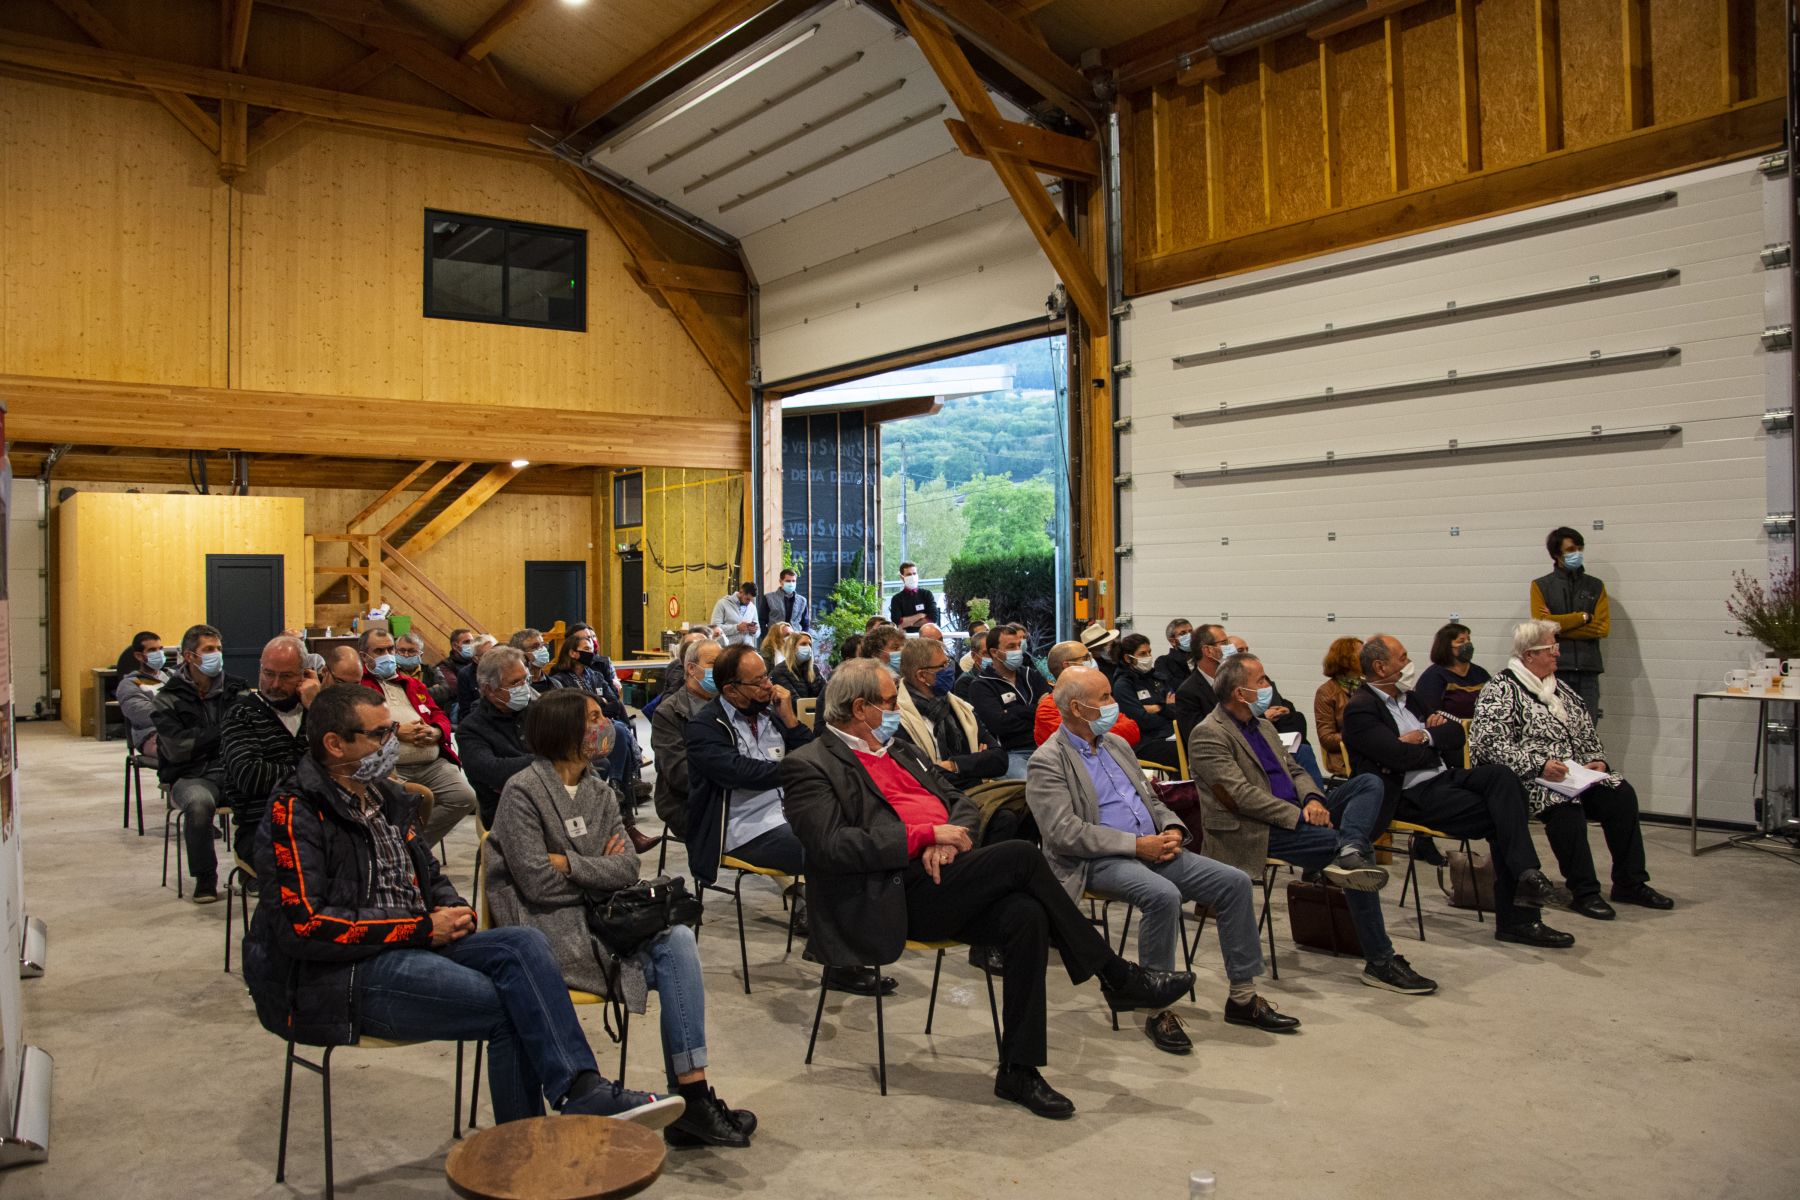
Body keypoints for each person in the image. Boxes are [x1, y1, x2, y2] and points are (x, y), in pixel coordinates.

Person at [241, 683, 682, 1128]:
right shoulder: (294, 811)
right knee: (515, 1005)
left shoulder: (385, 797)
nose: (392, 743)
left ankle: (578, 1095)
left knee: (523, 944)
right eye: (379, 735)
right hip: (340, 973)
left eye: (392, 730)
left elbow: (430, 876)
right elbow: (306, 926)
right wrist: (419, 927)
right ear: (335, 744)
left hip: (414, 941)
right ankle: (539, 1137)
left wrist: (455, 912)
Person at [780, 660, 1194, 1117]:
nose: (897, 707)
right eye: (889, 701)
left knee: (1026, 915)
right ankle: (1116, 976)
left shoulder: (899, 750)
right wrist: (924, 837)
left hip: (945, 877)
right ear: (860, 708)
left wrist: (950, 839)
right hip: (885, 894)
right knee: (1020, 854)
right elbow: (831, 846)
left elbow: (962, 802)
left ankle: (1019, 1070)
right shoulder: (808, 765)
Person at [486, 690, 755, 1148]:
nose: (605, 723)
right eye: (593, 717)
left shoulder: (599, 789)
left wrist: (569, 862)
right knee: (666, 946)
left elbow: (628, 868)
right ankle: (687, 1104)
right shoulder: (523, 791)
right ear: (563, 729)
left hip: (603, 923)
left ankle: (691, 1095)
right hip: (547, 935)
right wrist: (594, 867)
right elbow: (535, 884)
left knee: (678, 942)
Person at [1028, 667, 1293, 1055]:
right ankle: (1158, 1009)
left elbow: (1151, 799)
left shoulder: (1117, 745)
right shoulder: (1047, 760)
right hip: (1097, 859)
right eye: (1103, 699)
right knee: (1163, 895)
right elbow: (1064, 832)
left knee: (1234, 882)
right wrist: (1136, 846)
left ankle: (1242, 997)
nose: (1112, 705)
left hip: (1153, 846)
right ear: (1075, 708)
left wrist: (1171, 829)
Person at [1191, 654, 1437, 995]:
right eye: (1261, 681)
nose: (1268, 686)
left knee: (1369, 783)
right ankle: (1380, 960)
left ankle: (1349, 847)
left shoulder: (1262, 725)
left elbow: (1295, 770)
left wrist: (1314, 800)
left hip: (1299, 812)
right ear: (1238, 692)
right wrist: (1297, 814)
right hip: (1254, 829)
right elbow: (1240, 797)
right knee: (1357, 856)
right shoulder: (1208, 735)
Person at [1341, 634, 1573, 948]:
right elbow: (1396, 757)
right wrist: (1429, 740)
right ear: (1381, 667)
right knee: (1505, 816)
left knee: (1503, 778)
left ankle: (1526, 879)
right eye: (1403, 657)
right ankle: (1521, 910)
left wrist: (1422, 736)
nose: (1409, 664)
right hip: (1410, 795)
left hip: (1444, 777)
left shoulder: (1409, 697)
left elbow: (1456, 732)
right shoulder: (1361, 709)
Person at [1470, 620, 1671, 919]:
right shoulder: (1501, 689)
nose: (1557, 654)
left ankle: (1630, 882)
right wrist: (1540, 764)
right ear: (1529, 655)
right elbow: (1489, 744)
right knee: (1565, 808)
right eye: (1551, 648)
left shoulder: (1559, 688)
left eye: (1556, 647)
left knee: (1620, 794)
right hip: (1527, 778)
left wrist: (1597, 760)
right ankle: (1584, 891)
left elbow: (1586, 733)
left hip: (1571, 773)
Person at [151, 623, 251, 902]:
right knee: (198, 806)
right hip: (190, 776)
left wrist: (204, 739)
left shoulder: (237, 689)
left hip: (233, 770)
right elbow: (177, 749)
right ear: (189, 656)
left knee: (264, 794)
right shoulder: (168, 698)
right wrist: (222, 732)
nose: (216, 655)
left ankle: (251, 873)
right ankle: (206, 879)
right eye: (208, 650)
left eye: (218, 649)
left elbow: (246, 734)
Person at [357, 627, 477, 846]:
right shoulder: (360, 686)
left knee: (464, 797)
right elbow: (358, 722)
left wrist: (436, 731)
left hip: (431, 763)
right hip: (392, 769)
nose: (387, 655)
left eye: (389, 649)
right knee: (391, 806)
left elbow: (438, 713)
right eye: (379, 651)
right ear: (364, 656)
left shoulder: (412, 683)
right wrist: (395, 730)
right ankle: (408, 849)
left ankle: (411, 847)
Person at [221, 636, 320, 865]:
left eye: (285, 676)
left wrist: (317, 707)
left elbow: (342, 760)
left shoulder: (316, 711)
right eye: (268, 673)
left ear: (305, 674)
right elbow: (251, 776)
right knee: (309, 863)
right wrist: (314, 774)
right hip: (263, 825)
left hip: (319, 817)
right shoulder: (241, 714)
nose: (274, 684)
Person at [894, 636, 1007, 790]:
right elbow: (924, 776)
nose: (949, 669)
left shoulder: (960, 708)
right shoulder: (898, 718)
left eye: (948, 662)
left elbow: (999, 760)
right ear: (922, 676)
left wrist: (954, 765)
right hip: (937, 800)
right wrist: (975, 764)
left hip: (976, 793)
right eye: (943, 666)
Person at [545, 625, 644, 799]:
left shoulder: (595, 675)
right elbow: (572, 711)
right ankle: (619, 785)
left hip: (602, 724)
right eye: (586, 650)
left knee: (619, 730)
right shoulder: (560, 679)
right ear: (573, 653)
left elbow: (615, 703)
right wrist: (598, 703)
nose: (591, 653)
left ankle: (616, 784)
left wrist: (596, 707)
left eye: (591, 649)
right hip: (578, 730)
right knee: (620, 730)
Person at [1530, 525, 1610, 719]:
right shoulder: (1541, 586)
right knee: (1556, 728)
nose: (1577, 554)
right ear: (1557, 554)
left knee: (1588, 729)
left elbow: (1602, 627)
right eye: (1571, 550)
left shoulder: (1596, 586)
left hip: (1588, 670)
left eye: (1580, 549)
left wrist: (1557, 627)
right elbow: (1541, 626)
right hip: (1555, 670)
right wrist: (1582, 618)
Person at [458, 647, 538, 828]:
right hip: (506, 812)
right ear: (489, 690)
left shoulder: (539, 711)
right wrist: (548, 760)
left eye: (526, 680)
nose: (524, 688)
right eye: (515, 683)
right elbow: (494, 772)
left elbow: (568, 752)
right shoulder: (471, 729)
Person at [963, 624, 1052, 780]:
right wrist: (1037, 709)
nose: (1018, 651)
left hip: (1047, 746)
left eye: (1018, 645)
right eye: (1011, 647)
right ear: (994, 653)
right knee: (1028, 784)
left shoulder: (1031, 675)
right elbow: (999, 724)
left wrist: (1014, 711)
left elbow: (1051, 711)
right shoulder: (981, 685)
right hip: (1011, 753)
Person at [651, 639, 720, 839]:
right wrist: (731, 779)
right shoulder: (668, 712)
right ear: (691, 668)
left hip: (731, 795)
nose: (720, 670)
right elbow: (679, 773)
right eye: (713, 664)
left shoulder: (729, 703)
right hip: (684, 802)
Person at [1033, 640, 1141, 748]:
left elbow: (1132, 730)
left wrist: (1095, 732)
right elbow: (1079, 741)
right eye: (1086, 658)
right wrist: (1099, 732)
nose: (1092, 661)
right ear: (1068, 666)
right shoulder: (1048, 708)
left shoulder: (1099, 696)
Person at [1110, 633, 1178, 764]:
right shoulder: (1123, 685)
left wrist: (1158, 708)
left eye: (1149, 652)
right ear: (1128, 658)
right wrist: (1166, 707)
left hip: (1169, 734)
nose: (1148, 657)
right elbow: (1143, 721)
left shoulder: (1157, 677)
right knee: (1182, 752)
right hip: (1144, 742)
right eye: (1142, 654)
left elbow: (1177, 709)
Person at [1415, 623, 1491, 721]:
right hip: (1450, 731)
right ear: (1446, 646)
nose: (1467, 644)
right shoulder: (1433, 677)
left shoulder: (1480, 673)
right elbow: (1431, 714)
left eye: (1469, 639)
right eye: (1461, 641)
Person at [1313, 637, 1363, 778]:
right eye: (1361, 654)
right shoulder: (1326, 692)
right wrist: (1361, 736)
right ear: (1347, 659)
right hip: (1344, 758)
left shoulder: (1366, 687)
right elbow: (1326, 738)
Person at [1172, 624, 1230, 744]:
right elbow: (1199, 736)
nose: (1230, 647)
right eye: (1224, 643)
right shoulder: (1188, 692)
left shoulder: (1234, 680)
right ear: (1208, 650)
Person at [115, 630, 169, 759]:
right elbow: (145, 715)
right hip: (152, 736)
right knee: (184, 750)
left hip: (183, 732)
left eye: (160, 649)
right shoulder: (129, 684)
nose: (159, 653)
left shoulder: (172, 676)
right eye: (152, 650)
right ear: (139, 656)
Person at [755, 568, 812, 634]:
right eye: (788, 581)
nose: (791, 583)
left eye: (793, 581)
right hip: (775, 639)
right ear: (780, 581)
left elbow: (806, 624)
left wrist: (801, 638)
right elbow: (761, 621)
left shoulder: (802, 601)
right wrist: (766, 637)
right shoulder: (769, 598)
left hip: (794, 640)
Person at [455, 634, 499, 719]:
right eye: (487, 655)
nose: (494, 657)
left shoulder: (507, 669)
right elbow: (466, 711)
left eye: (495, 652)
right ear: (476, 659)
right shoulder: (465, 674)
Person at [769, 630, 821, 700]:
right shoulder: (780, 671)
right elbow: (794, 701)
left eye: (810, 645)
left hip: (816, 710)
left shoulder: (814, 668)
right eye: (803, 644)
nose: (808, 648)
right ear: (792, 648)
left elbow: (826, 692)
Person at [888, 562, 939, 631]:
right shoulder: (897, 599)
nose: (912, 577)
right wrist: (920, 616)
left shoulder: (927, 594)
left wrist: (908, 623)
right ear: (902, 577)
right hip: (906, 638)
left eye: (914, 573)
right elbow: (897, 622)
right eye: (909, 574)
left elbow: (933, 618)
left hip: (926, 637)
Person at [711, 582, 761, 648]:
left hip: (747, 650)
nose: (749, 603)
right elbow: (714, 629)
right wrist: (737, 628)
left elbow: (758, 632)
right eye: (747, 599)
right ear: (741, 592)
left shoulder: (752, 607)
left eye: (751, 600)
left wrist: (754, 631)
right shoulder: (722, 604)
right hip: (728, 650)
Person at [1154, 619, 1195, 698]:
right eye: (1183, 633)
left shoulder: (1201, 658)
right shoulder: (1163, 662)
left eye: (1191, 631)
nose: (1189, 635)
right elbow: (1171, 686)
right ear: (1173, 641)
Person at [952, 628, 991, 699]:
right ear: (973, 656)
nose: (992, 657)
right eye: (986, 653)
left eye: (994, 652)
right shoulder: (965, 682)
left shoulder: (1001, 675)